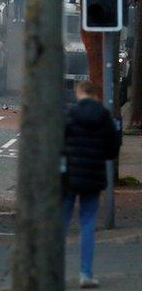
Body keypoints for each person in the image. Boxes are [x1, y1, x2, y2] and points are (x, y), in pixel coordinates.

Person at [63, 80, 121, 289]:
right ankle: (86, 273)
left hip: (69, 176)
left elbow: (59, 143)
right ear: (94, 93)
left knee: (62, 222)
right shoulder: (104, 116)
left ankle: (53, 268)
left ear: (79, 92)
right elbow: (112, 150)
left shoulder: (69, 114)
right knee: (87, 224)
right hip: (93, 176)